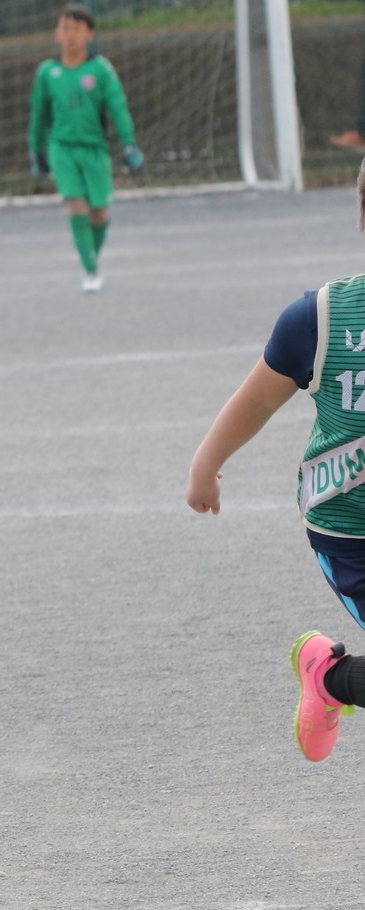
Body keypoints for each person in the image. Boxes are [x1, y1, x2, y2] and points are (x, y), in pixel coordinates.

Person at [187, 160, 365, 763]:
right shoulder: (321, 318)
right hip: (350, 531)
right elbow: (259, 399)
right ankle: (329, 677)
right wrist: (206, 463)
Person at [28, 3, 144, 294]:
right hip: (62, 149)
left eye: (77, 29)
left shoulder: (101, 69)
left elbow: (118, 108)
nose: (70, 35)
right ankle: (91, 270)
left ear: (90, 34)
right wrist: (35, 151)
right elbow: (38, 115)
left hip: (95, 150)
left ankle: (90, 258)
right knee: (76, 204)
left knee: (99, 214)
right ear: (57, 33)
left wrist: (129, 144)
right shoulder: (47, 72)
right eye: (65, 28)